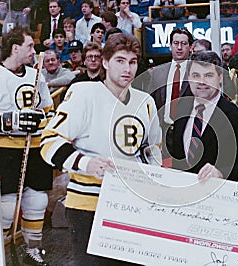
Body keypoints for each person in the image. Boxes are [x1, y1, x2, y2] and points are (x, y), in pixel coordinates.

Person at [40, 32, 161, 265]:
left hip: (132, 205)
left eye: (132, 62)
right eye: (120, 61)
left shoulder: (145, 101)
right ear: (105, 62)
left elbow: (152, 149)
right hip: (88, 206)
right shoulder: (84, 94)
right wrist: (86, 163)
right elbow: (49, 142)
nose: (127, 68)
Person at [0, 26, 54, 266]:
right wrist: (13, 120)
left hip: (34, 147)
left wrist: (42, 121)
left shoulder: (37, 75)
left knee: (37, 201)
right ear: (14, 48)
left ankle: (32, 250)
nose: (34, 51)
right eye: (29, 46)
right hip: (1, 150)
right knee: (5, 208)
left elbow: (48, 110)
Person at [171, 50, 238, 181]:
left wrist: (222, 173)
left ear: (220, 77)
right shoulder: (181, 110)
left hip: (220, 196)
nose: (201, 82)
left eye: (208, 75)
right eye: (196, 75)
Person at [148, 27, 194, 159]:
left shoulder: (196, 72)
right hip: (163, 131)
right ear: (170, 46)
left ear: (190, 47)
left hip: (188, 132)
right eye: (176, 43)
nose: (179, 47)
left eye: (184, 44)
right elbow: (151, 102)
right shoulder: (158, 72)